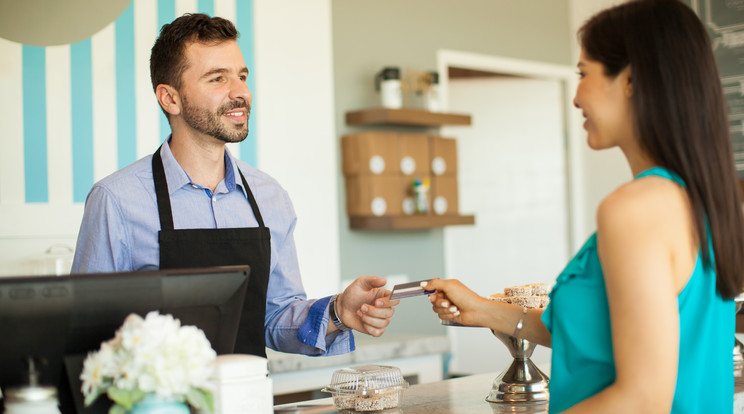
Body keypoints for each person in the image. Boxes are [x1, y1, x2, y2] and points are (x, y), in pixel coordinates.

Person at [423, 0, 744, 412]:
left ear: (630, 79)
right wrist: (485, 310)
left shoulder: (634, 209)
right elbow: (610, 335)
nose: (575, 97)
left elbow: (643, 399)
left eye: (583, 73)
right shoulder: (697, 200)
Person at [72, 13, 398, 358]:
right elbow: (85, 337)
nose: (241, 92)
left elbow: (274, 316)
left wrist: (338, 313)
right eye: (217, 79)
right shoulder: (116, 200)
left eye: (242, 76)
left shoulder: (270, 196)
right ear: (170, 99)